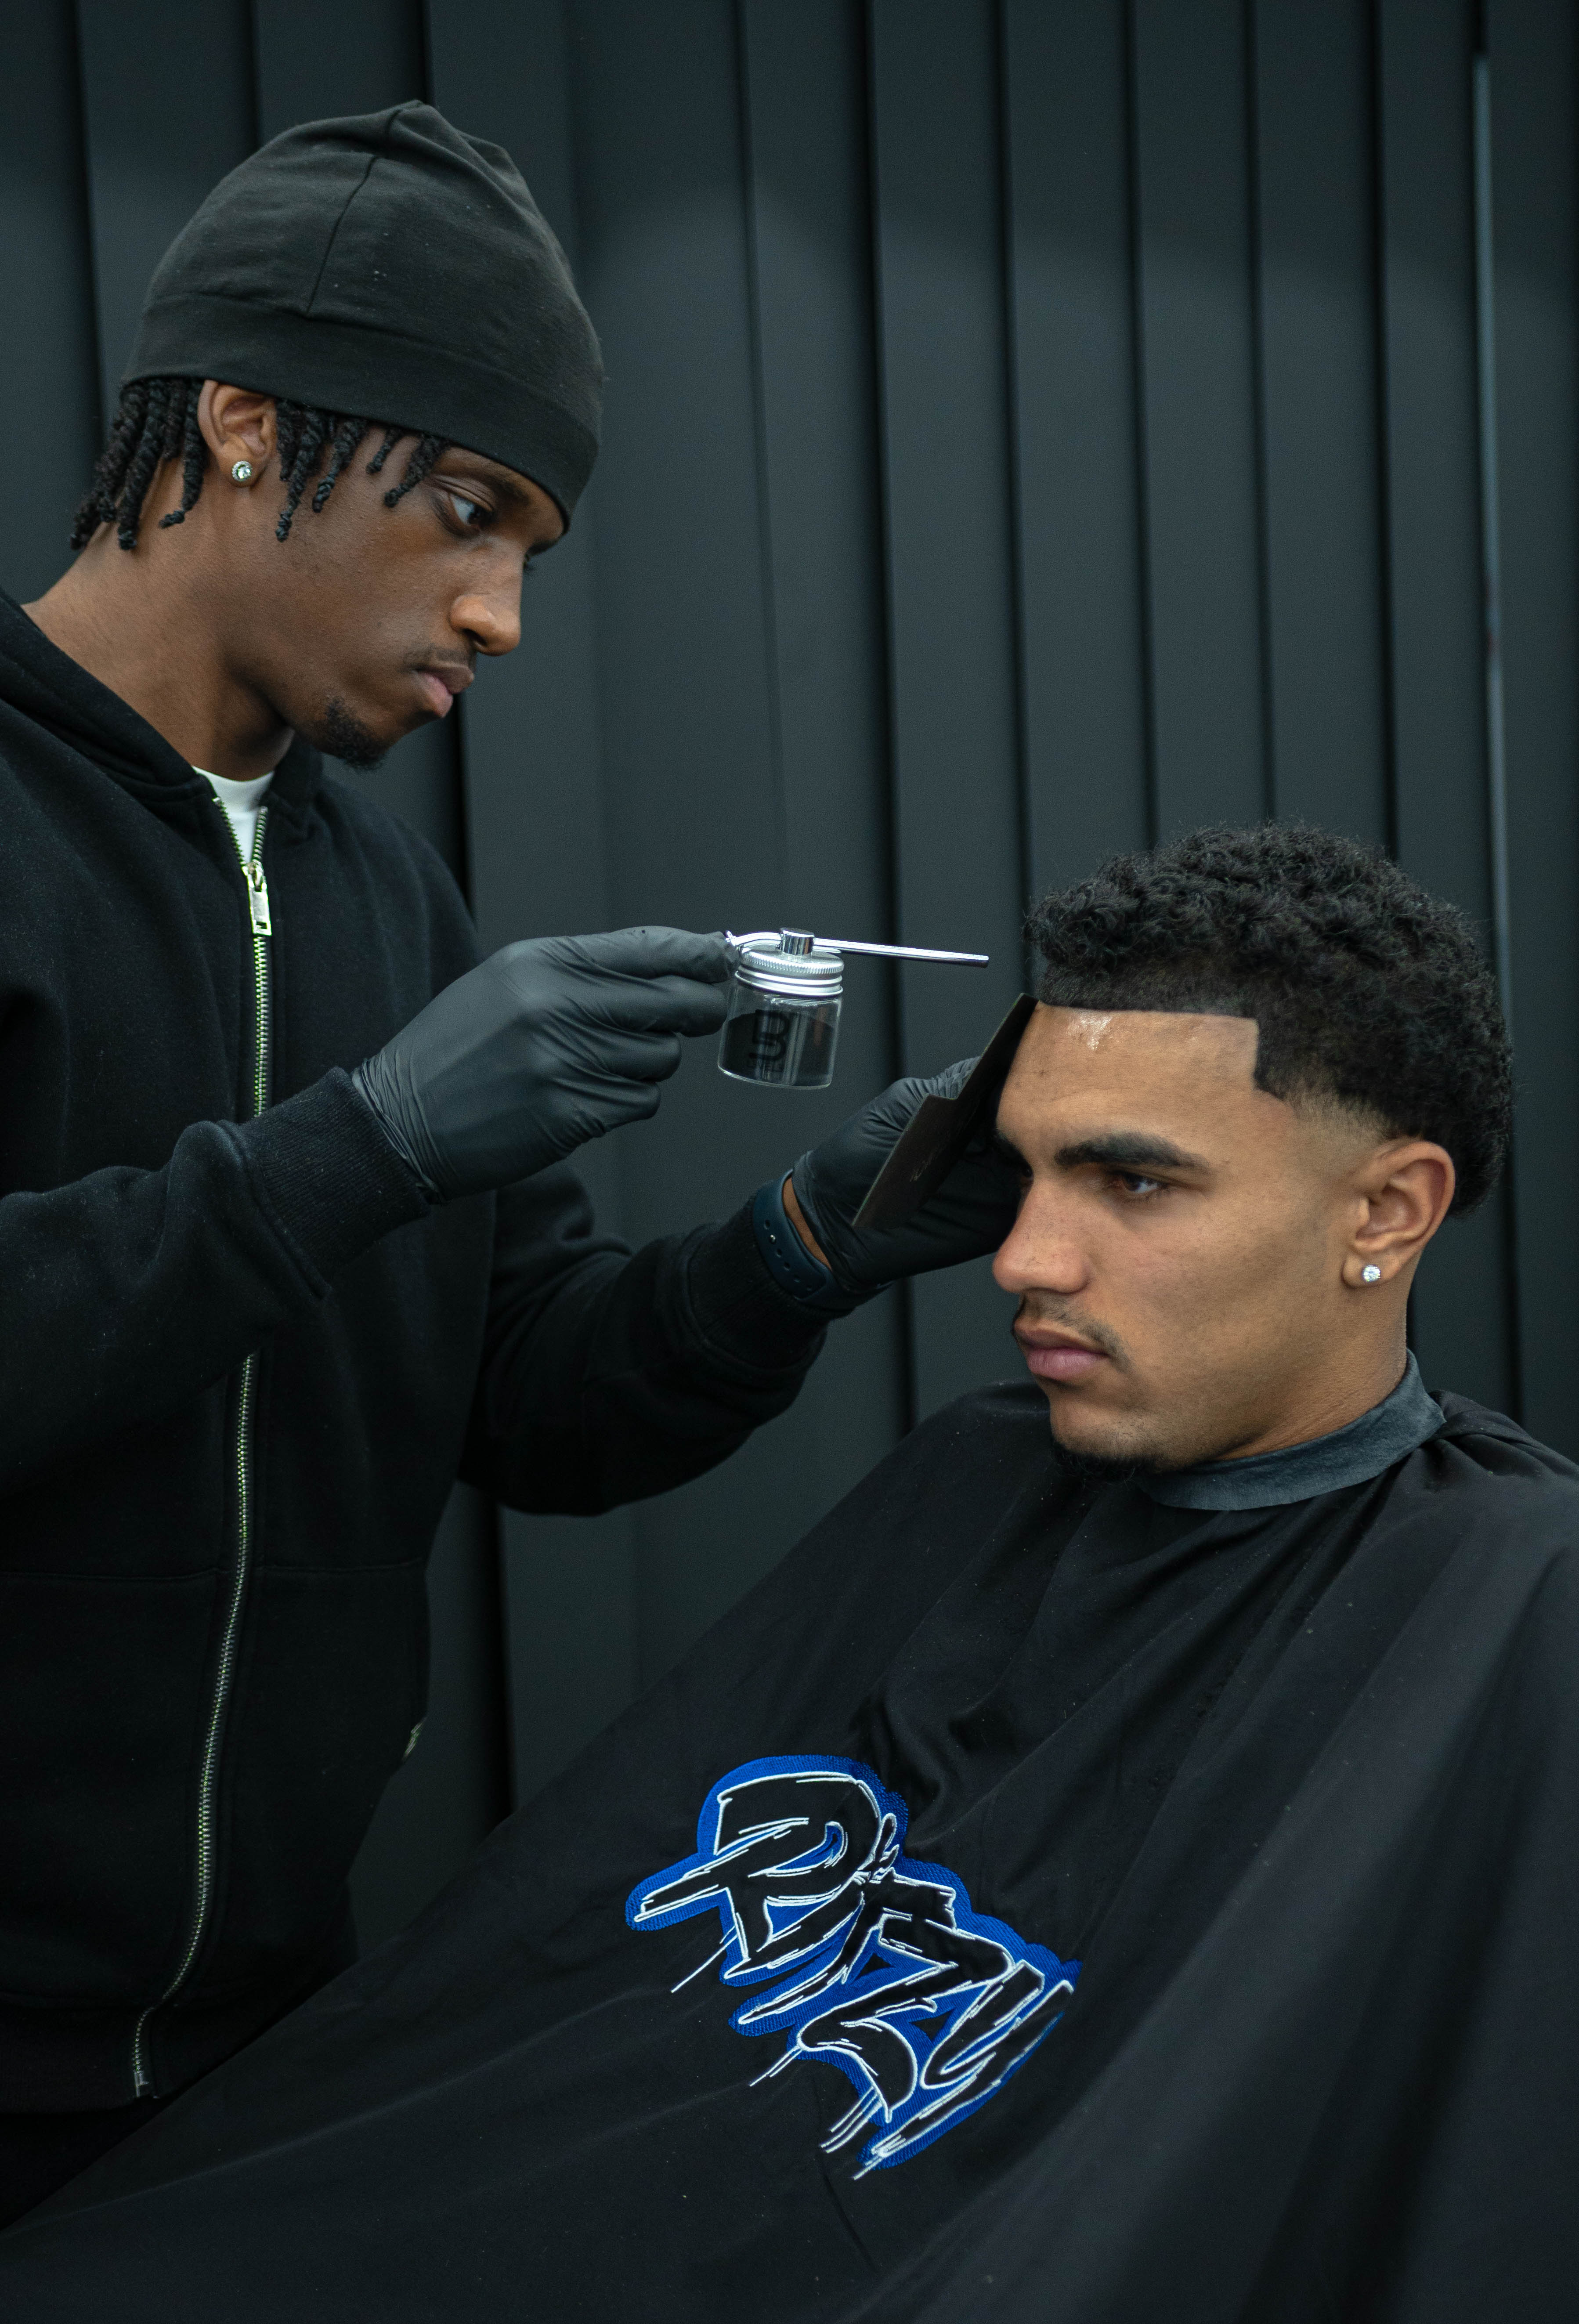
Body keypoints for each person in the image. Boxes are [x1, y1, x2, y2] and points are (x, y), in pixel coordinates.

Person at [4, 821, 1570, 2324]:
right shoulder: (980, 1475)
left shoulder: (1512, 1606)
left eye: (1134, 1181)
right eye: (1020, 1175)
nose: (1023, 1257)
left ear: (1387, 1209)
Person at [0, 102, 1017, 2219]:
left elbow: (524, 1405)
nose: (501, 614)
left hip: (247, 2055)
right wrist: (355, 1148)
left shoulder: (391, 906)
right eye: (467, 512)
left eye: (531, 551)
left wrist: (801, 1241)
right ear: (248, 424)